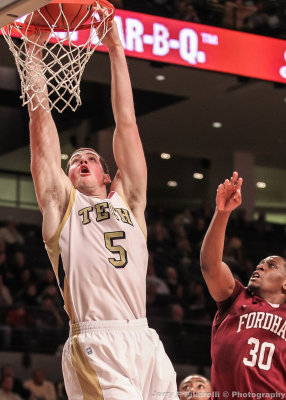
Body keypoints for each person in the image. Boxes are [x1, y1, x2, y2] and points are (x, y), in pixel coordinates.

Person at [27, 12, 178, 400]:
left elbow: (126, 123)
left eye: (90, 157)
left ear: (107, 175)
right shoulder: (62, 206)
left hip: (144, 336)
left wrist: (115, 49)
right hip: (96, 340)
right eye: (74, 159)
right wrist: (33, 55)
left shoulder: (130, 200)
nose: (80, 160)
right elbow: (42, 130)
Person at [200, 171, 286, 396]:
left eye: (271, 265)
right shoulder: (236, 297)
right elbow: (210, 265)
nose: (260, 267)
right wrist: (222, 213)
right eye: (260, 264)